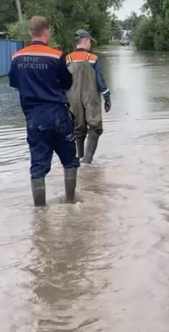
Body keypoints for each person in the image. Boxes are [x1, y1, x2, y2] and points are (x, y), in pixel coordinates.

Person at [9, 16, 79, 206]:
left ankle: (39, 212)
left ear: (30, 32)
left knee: (38, 166)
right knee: (70, 161)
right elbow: (67, 83)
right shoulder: (57, 56)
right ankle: (71, 202)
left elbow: (14, 83)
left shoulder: (17, 57)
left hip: (34, 118)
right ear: (47, 32)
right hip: (57, 113)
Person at [65, 29, 111, 164]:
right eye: (90, 41)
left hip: (73, 99)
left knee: (78, 130)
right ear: (85, 41)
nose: (90, 44)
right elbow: (100, 81)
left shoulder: (67, 59)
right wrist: (107, 97)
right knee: (95, 127)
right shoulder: (93, 59)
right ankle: (88, 160)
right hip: (91, 99)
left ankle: (79, 158)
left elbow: (62, 82)